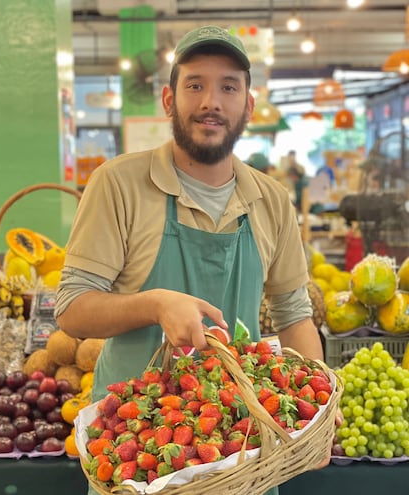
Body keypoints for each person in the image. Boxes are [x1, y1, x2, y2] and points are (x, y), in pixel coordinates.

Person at [55, 25, 331, 495]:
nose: (211, 102)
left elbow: (295, 315)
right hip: (137, 453)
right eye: (195, 85)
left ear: (248, 103)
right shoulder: (118, 184)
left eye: (228, 86)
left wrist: (319, 416)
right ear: (168, 99)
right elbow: (72, 309)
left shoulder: (271, 199)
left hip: (244, 448)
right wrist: (156, 303)